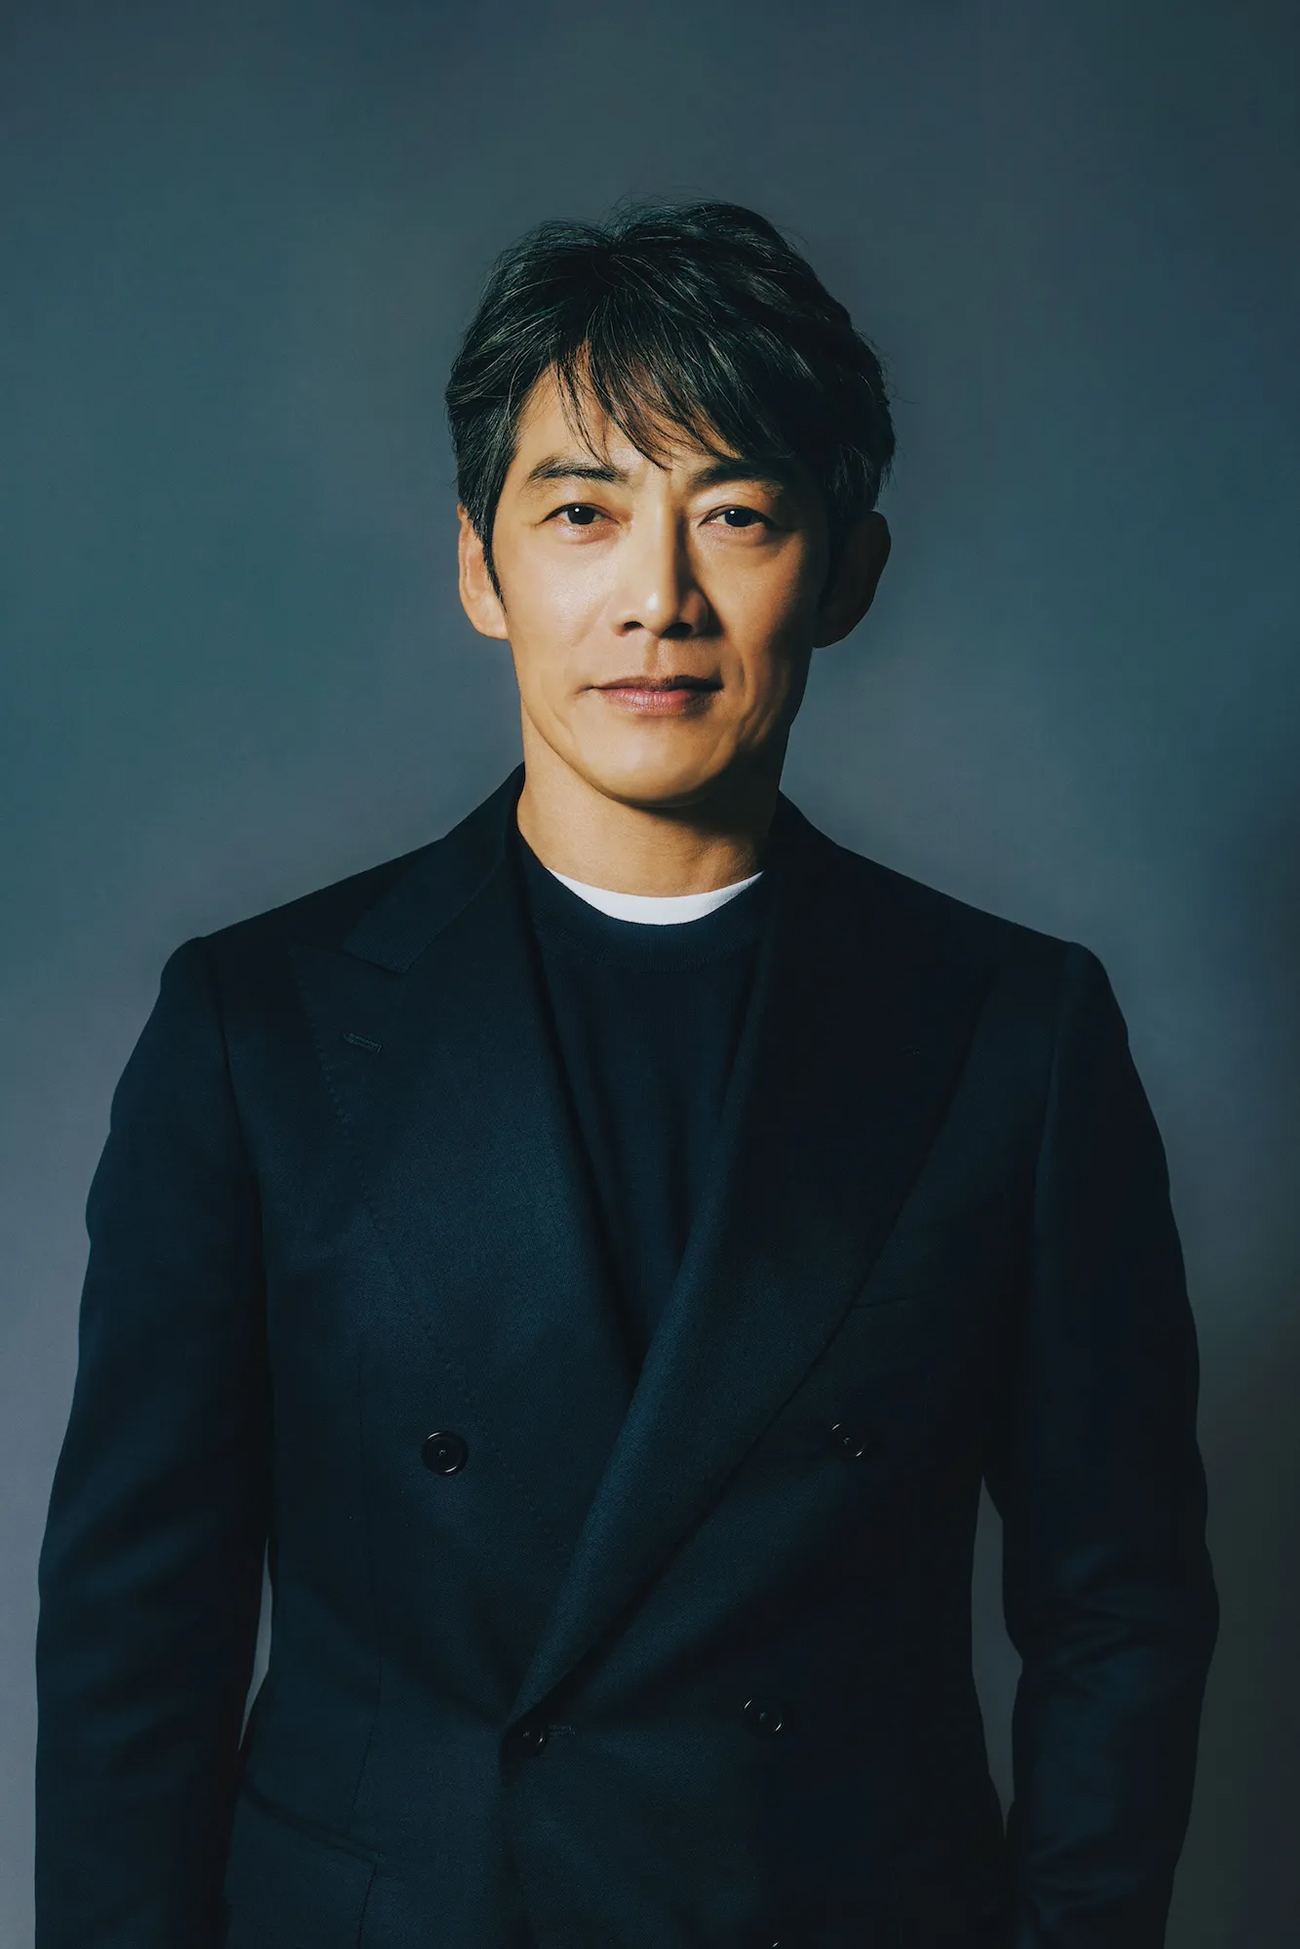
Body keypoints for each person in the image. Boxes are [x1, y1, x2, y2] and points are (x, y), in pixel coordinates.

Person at [34, 199, 1219, 1949]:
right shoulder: (257, 1026)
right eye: (582, 511)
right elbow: (137, 1638)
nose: (656, 598)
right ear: (480, 566)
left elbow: (1120, 1609)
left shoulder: (1012, 1034)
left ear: (848, 571)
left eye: (734, 513)